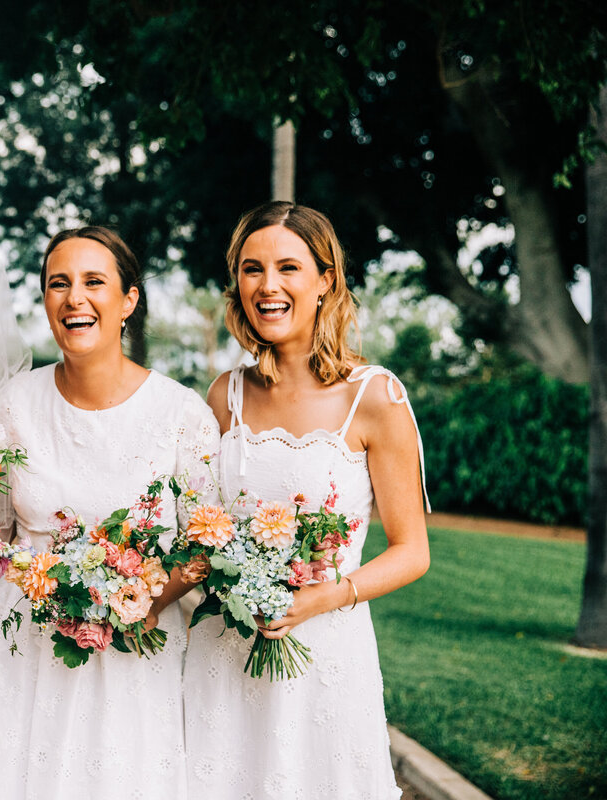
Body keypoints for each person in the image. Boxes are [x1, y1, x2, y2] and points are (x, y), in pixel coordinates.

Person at [174, 201, 430, 798]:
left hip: (325, 653)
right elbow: (200, 525)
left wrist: (326, 597)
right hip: (226, 650)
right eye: (252, 268)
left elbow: (412, 550)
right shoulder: (224, 395)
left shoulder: (375, 396)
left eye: (289, 268)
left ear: (326, 280)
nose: (268, 286)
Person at [0, 227, 220, 800]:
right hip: (26, 644)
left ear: (128, 300)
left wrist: (137, 602)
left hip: (138, 647)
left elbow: (204, 541)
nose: (74, 298)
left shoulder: (183, 412)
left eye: (93, 282)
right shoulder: (11, 407)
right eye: (59, 284)